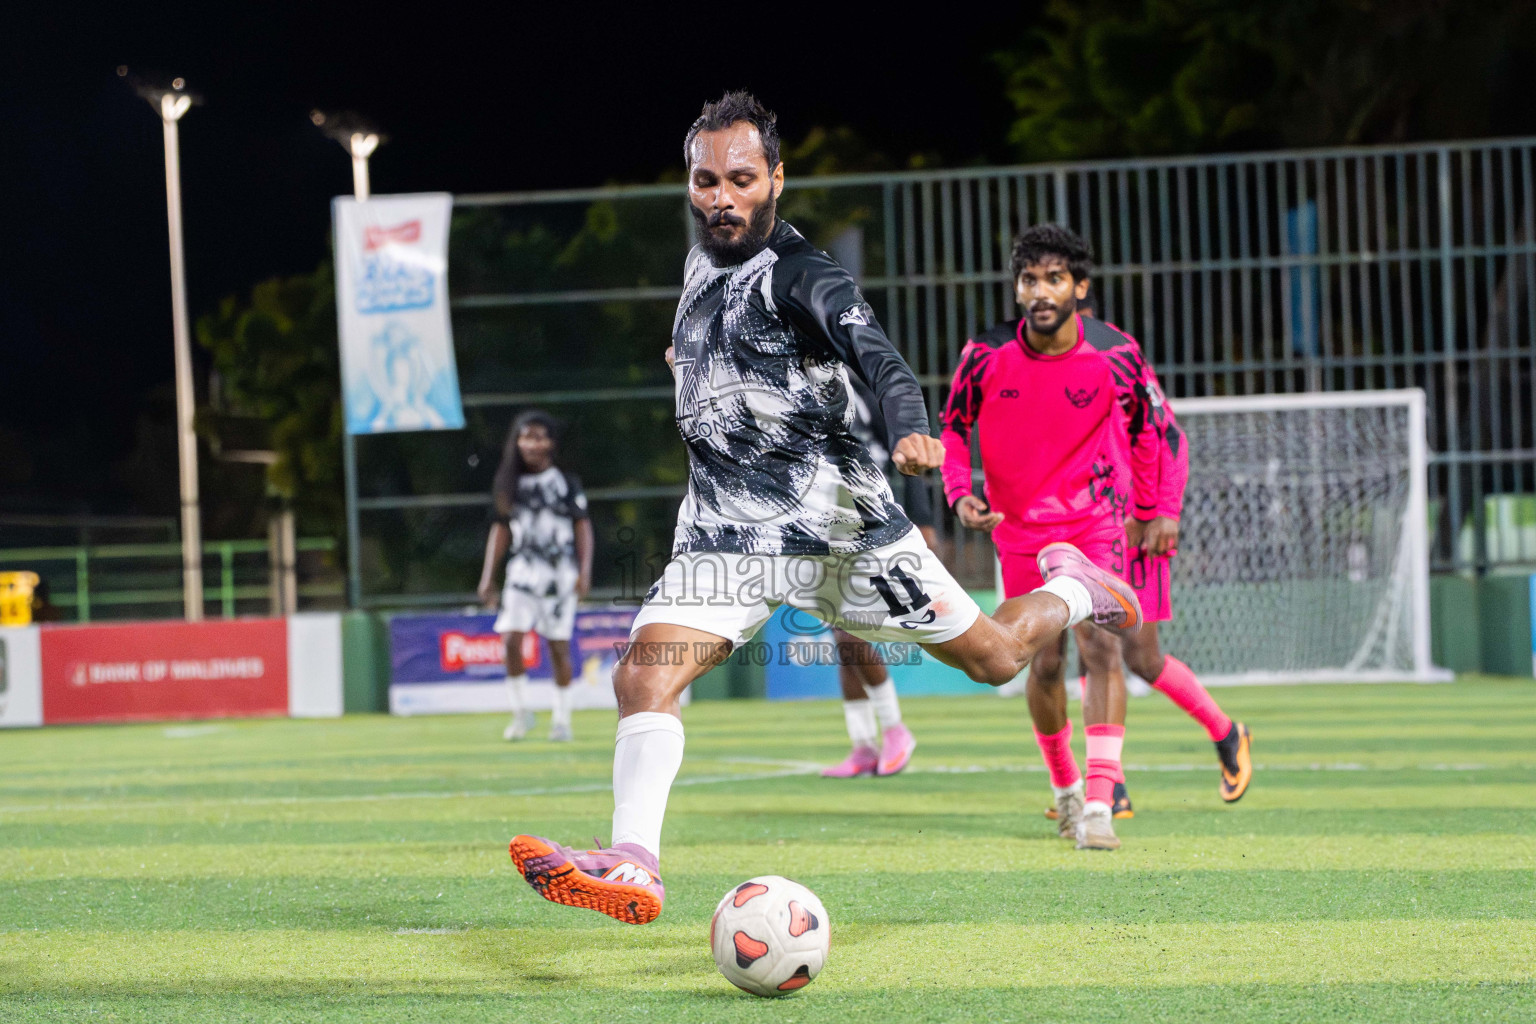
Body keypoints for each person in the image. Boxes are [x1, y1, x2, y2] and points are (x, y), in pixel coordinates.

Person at [506, 91, 1141, 925]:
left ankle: (1076, 589)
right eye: (705, 181)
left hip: (840, 530)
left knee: (993, 658)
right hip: (728, 532)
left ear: (776, 178)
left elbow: (881, 362)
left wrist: (915, 432)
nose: (721, 197)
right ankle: (635, 862)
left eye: (740, 179)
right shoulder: (702, 262)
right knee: (641, 676)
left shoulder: (806, 276)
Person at [942, 225, 1250, 852]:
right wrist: (958, 493)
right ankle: (1068, 791)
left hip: (1097, 523)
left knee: (1112, 651)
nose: (1040, 291)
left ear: (1080, 287)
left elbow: (1160, 435)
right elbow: (952, 428)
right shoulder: (984, 354)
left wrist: (1158, 510)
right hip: (1020, 531)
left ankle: (1102, 803)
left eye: (1055, 278)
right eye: (1029, 279)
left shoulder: (1115, 354)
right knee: (1044, 660)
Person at [820, 377, 930, 779]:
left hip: (866, 515)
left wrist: (924, 517)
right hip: (817, 519)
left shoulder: (859, 385)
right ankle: (863, 744)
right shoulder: (788, 377)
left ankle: (896, 730)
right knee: (840, 637)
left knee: (852, 633)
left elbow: (905, 448)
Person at [476, 410, 593, 742]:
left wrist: (584, 572)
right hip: (522, 573)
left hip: (559, 575)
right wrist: (488, 576)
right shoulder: (507, 484)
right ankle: (520, 713)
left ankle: (562, 719)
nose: (532, 443)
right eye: (525, 436)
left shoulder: (565, 483)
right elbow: (499, 530)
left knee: (558, 647)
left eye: (539, 436)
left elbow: (583, 527)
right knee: (510, 639)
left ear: (551, 442)